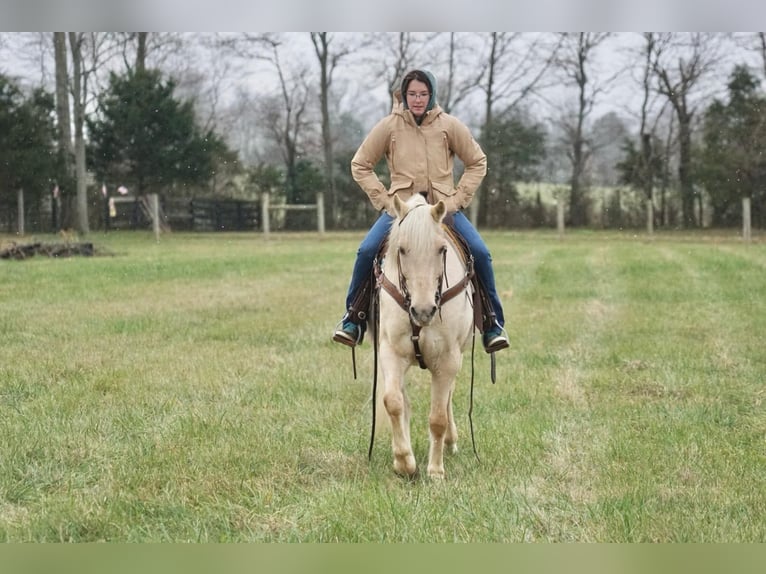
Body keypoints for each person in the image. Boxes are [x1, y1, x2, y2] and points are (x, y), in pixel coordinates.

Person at [333, 69, 508, 354]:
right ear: (404, 95)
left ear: (432, 95)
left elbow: (477, 161)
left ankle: (492, 323)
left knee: (480, 252)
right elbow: (360, 164)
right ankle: (354, 318)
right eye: (412, 94)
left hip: (442, 211)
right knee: (366, 251)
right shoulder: (389, 126)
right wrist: (386, 200)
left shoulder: (449, 126)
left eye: (423, 94)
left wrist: (456, 199)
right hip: (401, 212)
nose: (417, 99)